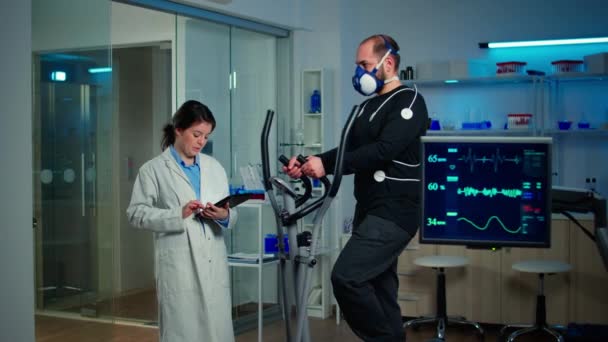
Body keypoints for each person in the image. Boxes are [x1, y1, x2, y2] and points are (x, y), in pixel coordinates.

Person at [284, 34, 428, 341]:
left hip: (394, 211)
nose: (359, 72)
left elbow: (384, 149)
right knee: (380, 286)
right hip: (370, 209)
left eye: (364, 64)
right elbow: (348, 150)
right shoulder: (367, 107)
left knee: (346, 277)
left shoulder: (410, 101)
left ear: (387, 63)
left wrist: (328, 166)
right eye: (357, 65)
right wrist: (312, 161)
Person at [126, 100, 237, 342]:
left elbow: (230, 211)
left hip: (212, 259)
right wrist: (178, 213)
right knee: (183, 331)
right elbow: (135, 213)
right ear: (178, 129)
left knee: (218, 331)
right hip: (179, 264)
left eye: (206, 137)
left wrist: (224, 215)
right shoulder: (153, 170)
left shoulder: (214, 167)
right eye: (196, 134)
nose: (201, 142)